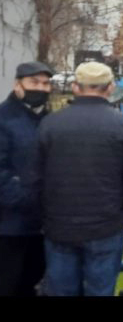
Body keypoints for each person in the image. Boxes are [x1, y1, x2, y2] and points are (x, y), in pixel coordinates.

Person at [33, 62, 123, 296]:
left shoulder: (50, 125)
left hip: (59, 227)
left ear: (75, 87)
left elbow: (35, 179)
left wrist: (45, 216)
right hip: (106, 227)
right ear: (110, 88)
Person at [0, 61, 53, 296]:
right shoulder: (3, 119)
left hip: (42, 225)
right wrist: (28, 197)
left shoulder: (50, 120)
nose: (40, 88)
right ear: (18, 85)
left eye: (45, 83)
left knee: (32, 283)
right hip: (9, 226)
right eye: (34, 82)